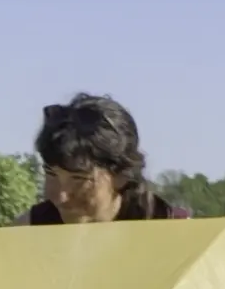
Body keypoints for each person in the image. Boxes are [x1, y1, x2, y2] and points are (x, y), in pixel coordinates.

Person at [25, 94, 189, 224]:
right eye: (51, 174)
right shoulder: (26, 234)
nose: (61, 196)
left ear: (121, 176)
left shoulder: (176, 234)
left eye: (79, 178)